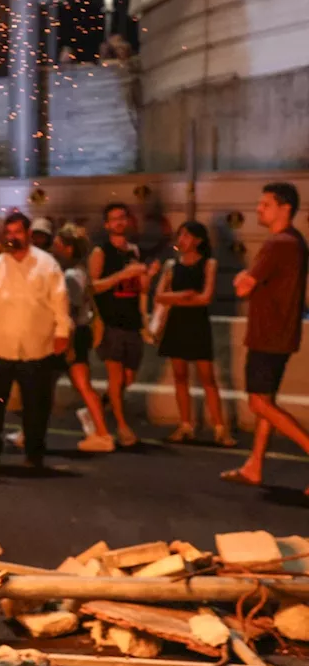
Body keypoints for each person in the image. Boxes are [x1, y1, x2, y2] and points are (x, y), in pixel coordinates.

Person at [222, 183, 309, 489]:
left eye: (265, 204)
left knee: (260, 404)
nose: (259, 209)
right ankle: (254, 466)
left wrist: (243, 279)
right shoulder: (295, 241)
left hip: (267, 334)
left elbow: (244, 286)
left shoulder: (278, 244)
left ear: (284, 208)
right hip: (282, 334)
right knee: (266, 401)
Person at [0, 211, 70, 473]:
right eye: (9, 233)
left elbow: (60, 302)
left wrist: (62, 333)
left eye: (18, 232)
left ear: (28, 234)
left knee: (37, 406)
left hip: (36, 348)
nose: (13, 237)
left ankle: (34, 456)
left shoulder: (47, 264)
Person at [155, 221, 235, 446]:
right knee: (180, 377)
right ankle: (185, 425)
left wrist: (179, 298)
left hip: (198, 324)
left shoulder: (208, 264)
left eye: (187, 235)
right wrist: (186, 295)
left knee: (208, 378)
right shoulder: (172, 265)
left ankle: (220, 428)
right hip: (176, 324)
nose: (181, 239)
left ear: (198, 240)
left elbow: (205, 298)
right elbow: (159, 296)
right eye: (180, 235)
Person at [89, 202, 160, 447]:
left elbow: (139, 290)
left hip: (132, 322)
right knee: (116, 377)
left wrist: (147, 278)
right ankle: (122, 426)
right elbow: (93, 286)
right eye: (114, 219)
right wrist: (121, 275)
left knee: (128, 378)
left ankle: (94, 407)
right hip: (111, 321)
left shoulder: (134, 251)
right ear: (107, 224)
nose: (119, 222)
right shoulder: (101, 252)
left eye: (122, 217)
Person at [52, 224, 116, 452]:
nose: (54, 248)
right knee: (81, 384)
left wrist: (63, 340)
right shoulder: (81, 272)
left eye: (58, 244)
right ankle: (102, 433)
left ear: (68, 248)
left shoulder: (70, 276)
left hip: (69, 334)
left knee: (44, 383)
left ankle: (102, 433)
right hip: (79, 333)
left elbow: (68, 309)